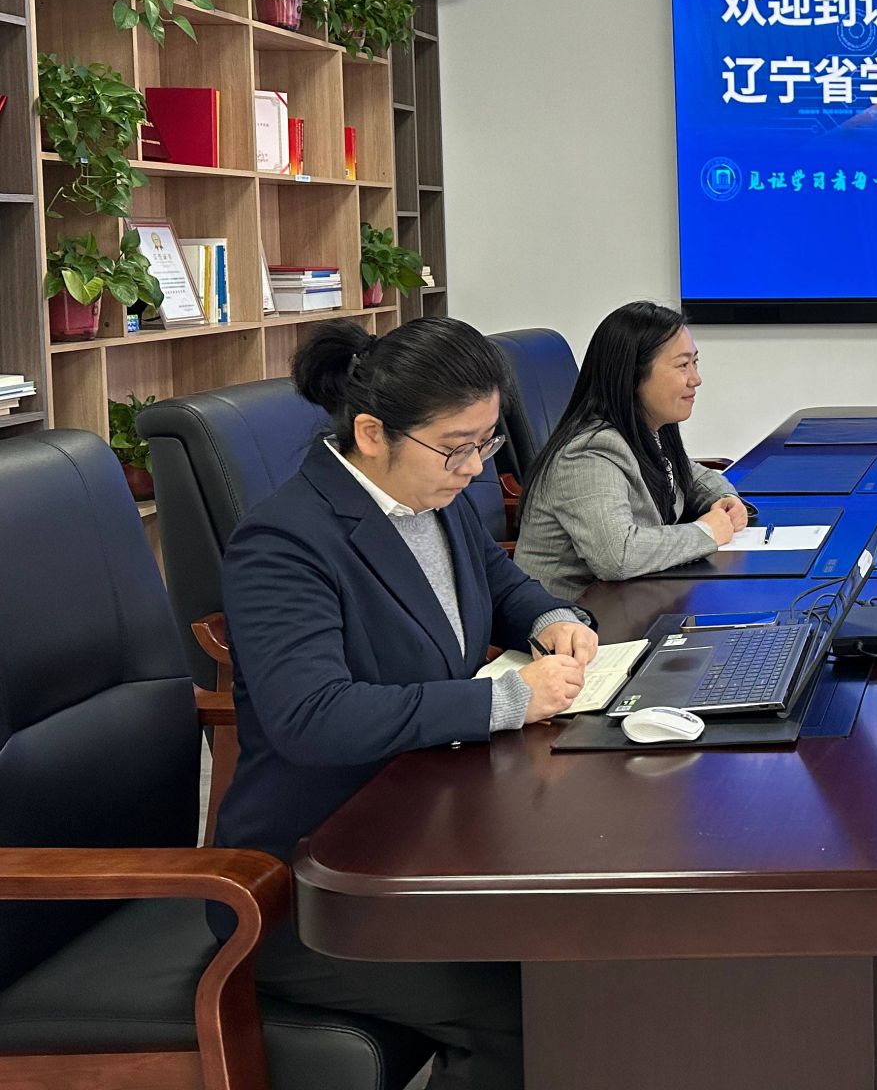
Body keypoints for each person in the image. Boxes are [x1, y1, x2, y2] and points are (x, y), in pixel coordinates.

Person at [216, 317, 601, 1089]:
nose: (476, 467)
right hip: (313, 888)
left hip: (430, 836)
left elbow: (501, 587)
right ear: (371, 434)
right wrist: (501, 701)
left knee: (582, 955)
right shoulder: (283, 543)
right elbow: (313, 716)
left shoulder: (433, 494)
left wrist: (552, 618)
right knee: (530, 1008)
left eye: (487, 442)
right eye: (457, 446)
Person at [515, 301, 749, 601]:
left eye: (695, 363)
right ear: (634, 376)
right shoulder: (588, 453)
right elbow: (617, 555)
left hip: (635, 601)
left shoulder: (649, 427)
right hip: (579, 618)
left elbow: (690, 476)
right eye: (682, 365)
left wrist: (725, 500)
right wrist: (706, 532)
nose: (696, 379)